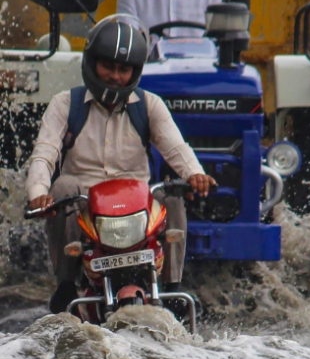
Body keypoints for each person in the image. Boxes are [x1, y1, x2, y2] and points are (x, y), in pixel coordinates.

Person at [26, 18, 216, 314]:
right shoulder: (65, 104)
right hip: (86, 209)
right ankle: (65, 284)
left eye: (123, 69)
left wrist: (196, 174)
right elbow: (44, 153)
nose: (115, 76)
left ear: (134, 72)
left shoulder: (149, 104)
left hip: (139, 210)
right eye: (108, 66)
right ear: (91, 63)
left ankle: (173, 287)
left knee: (173, 192)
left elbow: (177, 147)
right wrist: (39, 192)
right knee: (62, 186)